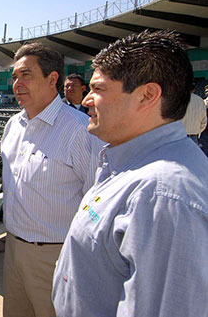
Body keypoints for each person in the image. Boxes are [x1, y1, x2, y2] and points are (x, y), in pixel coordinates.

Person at [53, 30, 208, 316]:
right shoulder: (132, 164)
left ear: (147, 95)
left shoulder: (164, 197)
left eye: (98, 89)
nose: (87, 100)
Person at [1, 43, 101, 317]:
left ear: (52, 79)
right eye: (14, 77)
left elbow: (97, 202)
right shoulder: (12, 126)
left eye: (26, 75)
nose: (17, 84)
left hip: (56, 257)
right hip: (13, 251)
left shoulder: (80, 131)